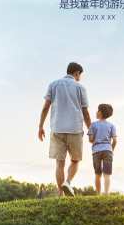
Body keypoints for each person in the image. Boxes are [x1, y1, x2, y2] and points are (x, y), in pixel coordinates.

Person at [38, 60, 91, 197]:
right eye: (80, 75)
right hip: (75, 129)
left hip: (57, 129)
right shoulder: (80, 88)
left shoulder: (53, 85)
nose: (80, 78)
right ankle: (67, 182)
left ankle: (61, 194)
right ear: (76, 73)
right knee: (75, 160)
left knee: (59, 163)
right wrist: (90, 130)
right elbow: (85, 112)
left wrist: (40, 126)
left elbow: (45, 108)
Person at [88, 102, 117, 194]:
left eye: (97, 110)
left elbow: (91, 140)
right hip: (108, 150)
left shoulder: (93, 125)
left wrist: (96, 139)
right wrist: (111, 150)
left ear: (100, 112)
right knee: (107, 174)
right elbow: (115, 140)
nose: (96, 112)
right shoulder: (112, 126)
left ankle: (98, 194)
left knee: (97, 174)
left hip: (96, 151)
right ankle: (106, 194)